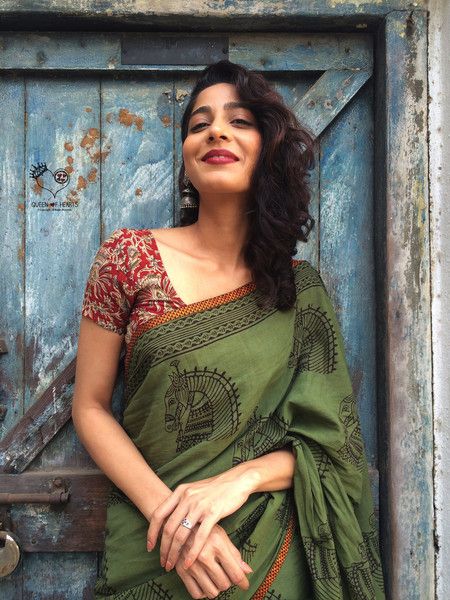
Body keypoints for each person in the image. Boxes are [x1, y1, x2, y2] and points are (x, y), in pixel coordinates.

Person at [72, 59, 385, 600]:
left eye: (239, 121)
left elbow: (333, 449)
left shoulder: (298, 291)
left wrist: (238, 481)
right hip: (156, 545)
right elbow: (90, 407)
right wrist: (178, 521)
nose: (216, 131)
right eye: (200, 124)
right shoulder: (127, 258)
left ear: (268, 150)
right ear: (187, 158)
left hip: (272, 557)